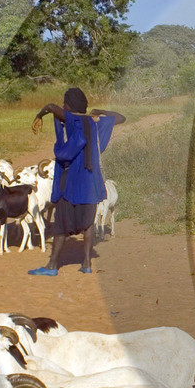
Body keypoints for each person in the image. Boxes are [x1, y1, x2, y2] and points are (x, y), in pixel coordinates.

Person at [29, 87, 124, 275]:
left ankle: (52, 266)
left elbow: (51, 107)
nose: (63, 107)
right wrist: (101, 112)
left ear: (69, 105)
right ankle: (86, 264)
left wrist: (39, 115)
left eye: (65, 104)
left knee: (60, 225)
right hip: (92, 184)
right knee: (88, 224)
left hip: (72, 183)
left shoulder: (72, 121)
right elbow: (121, 117)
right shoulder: (95, 124)